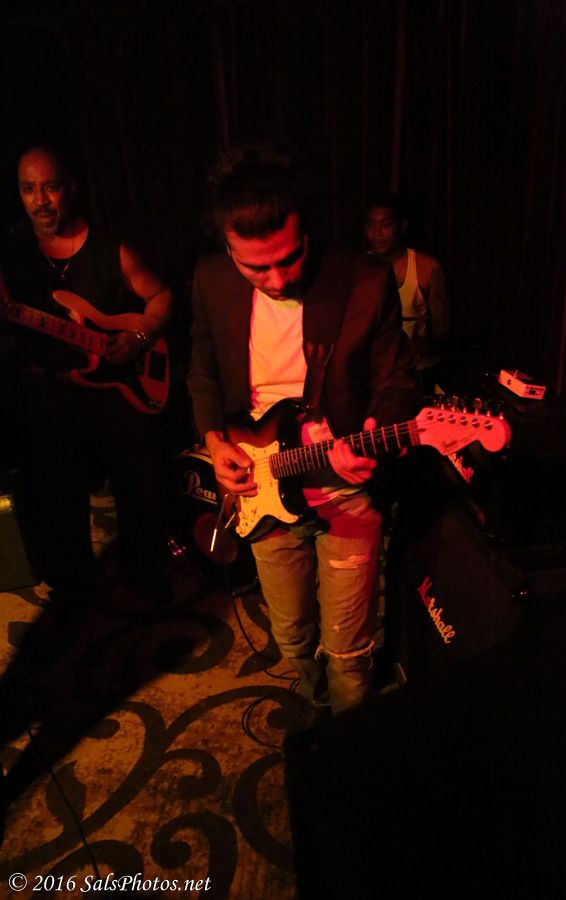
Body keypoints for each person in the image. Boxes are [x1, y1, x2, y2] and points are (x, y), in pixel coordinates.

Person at [187, 146, 418, 714]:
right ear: (228, 250)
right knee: (291, 637)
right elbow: (203, 371)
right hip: (260, 487)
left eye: (289, 259)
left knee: (350, 652)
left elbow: (397, 382)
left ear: (305, 230)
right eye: (255, 267)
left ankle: (349, 747)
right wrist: (215, 444)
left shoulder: (364, 281)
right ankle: (318, 710)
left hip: (342, 489)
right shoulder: (211, 279)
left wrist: (372, 431)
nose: (277, 278)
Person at [0, 144, 174, 604]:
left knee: (138, 489)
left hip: (115, 391)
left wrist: (138, 338)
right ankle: (73, 591)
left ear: (70, 187)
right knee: (57, 500)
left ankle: (147, 577)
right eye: (28, 189)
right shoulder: (12, 251)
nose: (40, 201)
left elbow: (161, 296)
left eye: (50, 187)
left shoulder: (110, 249)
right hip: (47, 391)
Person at [364, 193, 449, 387]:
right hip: (372, 374)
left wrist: (418, 346)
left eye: (385, 224)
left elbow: (442, 332)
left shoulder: (426, 268)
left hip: (416, 374)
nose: (377, 233)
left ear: (401, 227)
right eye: (371, 225)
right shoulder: (358, 268)